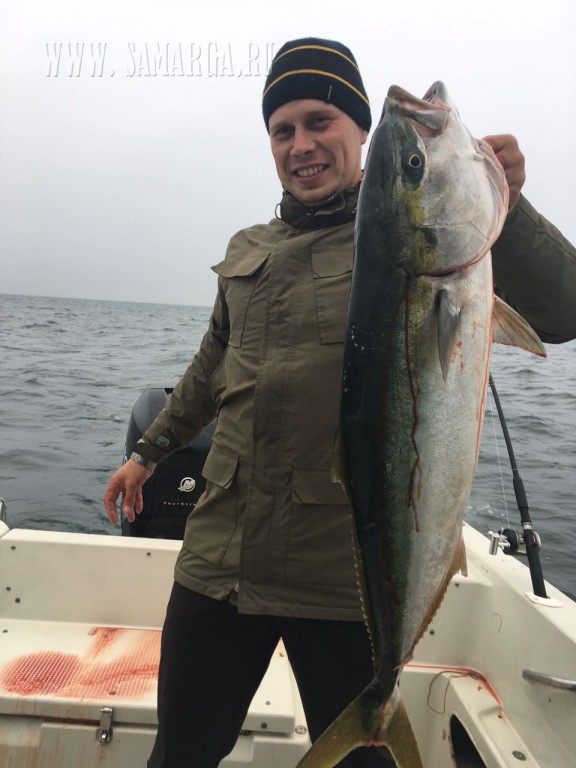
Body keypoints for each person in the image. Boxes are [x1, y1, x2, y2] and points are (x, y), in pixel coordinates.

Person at [104, 38, 576, 768]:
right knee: (181, 753)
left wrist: (507, 209)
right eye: (282, 129)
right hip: (220, 561)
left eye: (320, 120)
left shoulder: (406, 238)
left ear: (361, 132)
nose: (301, 144)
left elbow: (561, 311)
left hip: (345, 574)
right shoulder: (249, 247)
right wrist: (147, 454)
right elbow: (208, 372)